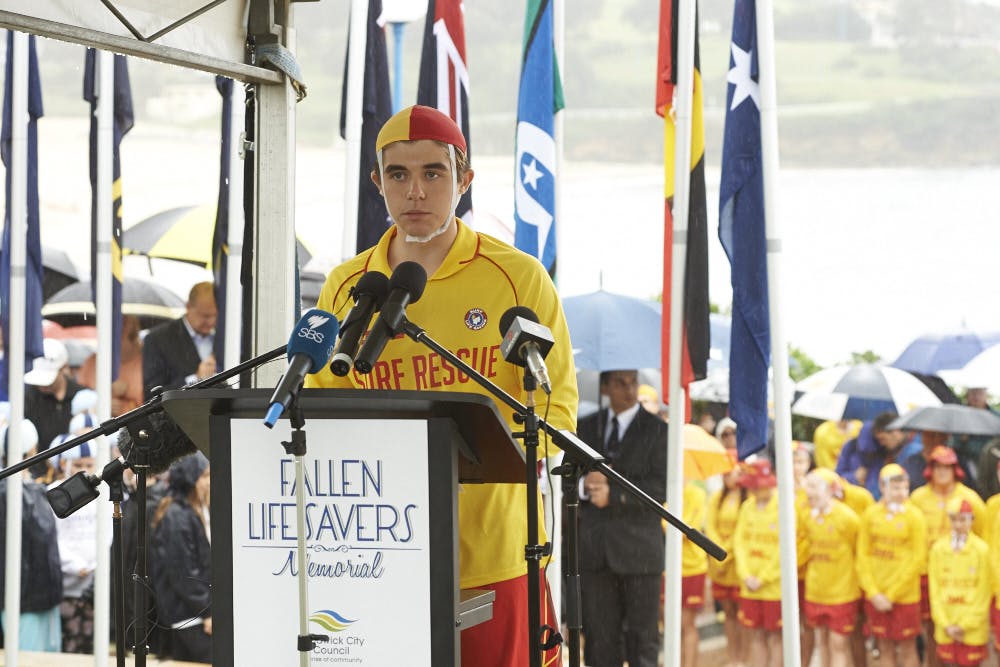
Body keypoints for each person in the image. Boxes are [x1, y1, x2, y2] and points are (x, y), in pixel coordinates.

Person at [304, 105, 577, 667]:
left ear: (465, 180)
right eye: (399, 175)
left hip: (494, 553)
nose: (416, 192)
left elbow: (558, 412)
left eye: (434, 173)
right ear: (377, 183)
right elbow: (329, 407)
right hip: (378, 549)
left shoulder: (518, 277)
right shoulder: (349, 285)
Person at [577, 369, 667, 667]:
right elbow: (562, 479)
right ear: (605, 387)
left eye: (633, 382)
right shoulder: (586, 427)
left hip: (640, 553)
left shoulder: (657, 429)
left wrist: (614, 495)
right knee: (599, 641)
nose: (629, 390)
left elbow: (662, 488)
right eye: (620, 383)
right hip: (595, 555)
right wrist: (585, 487)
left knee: (642, 641)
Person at [909, 445, 986, 667]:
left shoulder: (969, 498)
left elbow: (981, 530)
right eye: (937, 466)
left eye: (947, 467)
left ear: (955, 469)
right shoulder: (918, 497)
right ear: (929, 469)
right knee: (931, 631)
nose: (942, 472)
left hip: (964, 574)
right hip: (928, 573)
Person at [0, 418, 63, 652]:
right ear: (31, 450)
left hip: (42, 597)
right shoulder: (11, 493)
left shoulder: (32, 490)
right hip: (24, 600)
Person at [856, 463, 926, 667]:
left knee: (907, 647)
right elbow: (862, 555)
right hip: (876, 595)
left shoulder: (915, 516)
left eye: (904, 487)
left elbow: (918, 559)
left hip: (904, 596)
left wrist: (892, 594)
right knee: (883, 646)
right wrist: (873, 592)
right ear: (882, 487)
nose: (900, 492)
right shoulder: (870, 515)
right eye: (894, 487)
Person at [150, 452, 212, 663]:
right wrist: (207, 612)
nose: (209, 482)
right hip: (188, 616)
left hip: (193, 613)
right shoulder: (176, 516)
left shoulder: (191, 511)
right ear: (191, 479)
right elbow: (185, 573)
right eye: (204, 477)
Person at [801, 467, 862, 667]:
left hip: (842, 592)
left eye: (814, 486)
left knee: (838, 644)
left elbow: (858, 552)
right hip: (816, 590)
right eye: (808, 486)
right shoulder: (807, 517)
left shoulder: (847, 517)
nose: (810, 491)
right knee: (822, 642)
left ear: (829, 489)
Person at [927, 497, 990, 667]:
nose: (958, 524)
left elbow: (983, 594)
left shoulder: (981, 550)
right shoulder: (938, 549)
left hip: (972, 627)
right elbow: (935, 591)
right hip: (945, 623)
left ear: (972, 520)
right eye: (954, 519)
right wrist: (945, 623)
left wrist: (965, 625)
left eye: (963, 519)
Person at [733, 459, 782, 667]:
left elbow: (785, 549)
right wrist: (746, 575)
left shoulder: (783, 507)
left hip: (773, 588)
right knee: (755, 635)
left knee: (776, 637)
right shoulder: (747, 507)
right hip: (749, 586)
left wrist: (763, 578)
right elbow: (739, 542)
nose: (752, 490)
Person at [705, 449, 747, 667]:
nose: (731, 476)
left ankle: (744, 657)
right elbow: (710, 525)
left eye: (735, 472)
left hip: (738, 566)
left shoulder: (747, 500)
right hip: (719, 566)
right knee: (728, 614)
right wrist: (717, 552)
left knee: (743, 616)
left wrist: (726, 553)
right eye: (728, 472)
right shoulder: (716, 498)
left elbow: (742, 530)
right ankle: (733, 657)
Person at [142, 282, 217, 400]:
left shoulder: (226, 337)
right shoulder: (158, 338)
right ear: (188, 307)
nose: (211, 322)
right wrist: (196, 379)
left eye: (216, 315)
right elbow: (151, 394)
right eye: (205, 316)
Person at [24, 337, 85, 480]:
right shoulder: (29, 397)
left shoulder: (81, 396)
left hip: (74, 473)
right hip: (38, 475)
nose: (42, 386)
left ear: (63, 368)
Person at [77, 314, 144, 415]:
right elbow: (77, 406)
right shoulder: (92, 363)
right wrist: (103, 402)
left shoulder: (147, 362)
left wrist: (127, 392)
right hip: (97, 426)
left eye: (123, 323)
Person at [834, 411, 906, 500]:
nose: (882, 443)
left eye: (882, 439)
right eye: (879, 440)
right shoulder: (851, 447)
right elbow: (836, 478)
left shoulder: (885, 453)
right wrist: (854, 477)